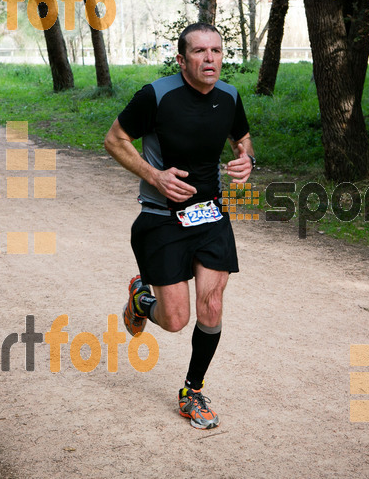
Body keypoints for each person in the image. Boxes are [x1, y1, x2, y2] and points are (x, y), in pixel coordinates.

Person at [104, 23, 256, 430]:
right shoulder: (156, 95)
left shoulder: (229, 96)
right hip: (160, 218)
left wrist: (247, 160)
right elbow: (114, 140)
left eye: (217, 51)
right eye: (200, 51)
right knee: (174, 321)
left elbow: (242, 140)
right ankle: (142, 300)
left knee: (213, 305)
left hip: (210, 215)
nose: (210, 59)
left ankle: (192, 390)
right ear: (182, 59)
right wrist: (155, 176)